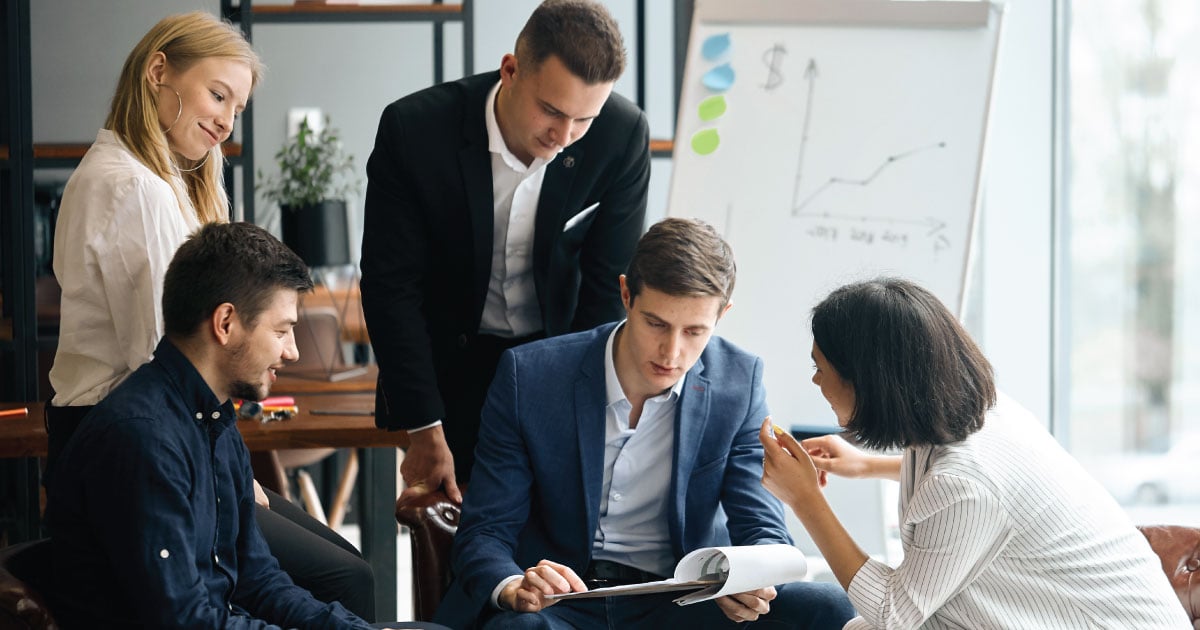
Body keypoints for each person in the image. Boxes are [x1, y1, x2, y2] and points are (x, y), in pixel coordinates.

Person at [44, 12, 376, 619]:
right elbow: (166, 356)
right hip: (140, 442)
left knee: (338, 566)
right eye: (217, 94)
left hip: (179, 432)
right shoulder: (132, 187)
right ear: (158, 72)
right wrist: (224, 473)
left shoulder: (168, 178)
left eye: (237, 107)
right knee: (342, 577)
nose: (226, 120)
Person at [436, 218, 856, 629]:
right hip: (562, 600)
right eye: (656, 324)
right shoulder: (530, 377)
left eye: (694, 331)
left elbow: (762, 526)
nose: (671, 352)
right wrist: (514, 586)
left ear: (722, 315)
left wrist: (749, 577)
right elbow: (485, 532)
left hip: (684, 598)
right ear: (626, 295)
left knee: (827, 607)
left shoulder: (738, 382)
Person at [44, 222, 446, 630]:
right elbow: (186, 623)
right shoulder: (142, 439)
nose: (293, 351)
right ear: (225, 323)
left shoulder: (214, 420)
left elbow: (259, 580)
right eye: (282, 331)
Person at [760, 277, 1189, 629]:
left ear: (868, 382)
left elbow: (893, 614)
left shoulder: (964, 480)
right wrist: (866, 465)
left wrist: (805, 500)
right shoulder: (977, 411)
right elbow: (986, 502)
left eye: (820, 367)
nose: (816, 381)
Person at [361, 0, 650, 504]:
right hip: (449, 365)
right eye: (553, 111)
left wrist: (584, 409)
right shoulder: (414, 130)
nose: (564, 137)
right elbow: (391, 287)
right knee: (457, 539)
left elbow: (607, 289)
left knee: (558, 541)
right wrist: (425, 427)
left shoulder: (621, 135)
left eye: (584, 119)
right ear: (511, 70)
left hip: (559, 355)